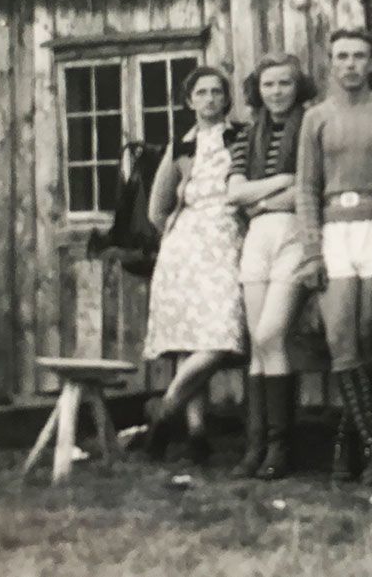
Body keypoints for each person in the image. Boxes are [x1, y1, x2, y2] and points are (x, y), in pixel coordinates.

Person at [294, 28, 372, 485]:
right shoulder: (316, 118)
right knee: (342, 339)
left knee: (371, 340)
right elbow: (306, 186)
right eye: (342, 56)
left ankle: (350, 442)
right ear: (330, 62)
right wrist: (311, 249)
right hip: (335, 233)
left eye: (358, 56)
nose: (350, 65)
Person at [141, 66, 247, 464]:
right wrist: (177, 230)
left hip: (227, 241)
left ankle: (165, 412)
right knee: (191, 338)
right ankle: (198, 435)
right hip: (185, 248)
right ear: (189, 101)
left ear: (226, 98)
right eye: (201, 93)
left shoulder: (240, 138)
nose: (209, 100)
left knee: (220, 336)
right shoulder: (179, 145)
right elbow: (156, 208)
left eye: (217, 92)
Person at [225, 53, 317, 480]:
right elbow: (234, 192)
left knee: (270, 335)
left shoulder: (313, 125)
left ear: (297, 86)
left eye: (283, 83)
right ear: (257, 90)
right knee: (258, 347)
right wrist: (282, 183)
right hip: (257, 234)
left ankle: (282, 444)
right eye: (268, 85)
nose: (276, 92)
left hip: (296, 233)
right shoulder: (246, 135)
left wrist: (268, 195)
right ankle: (257, 445)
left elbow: (313, 187)